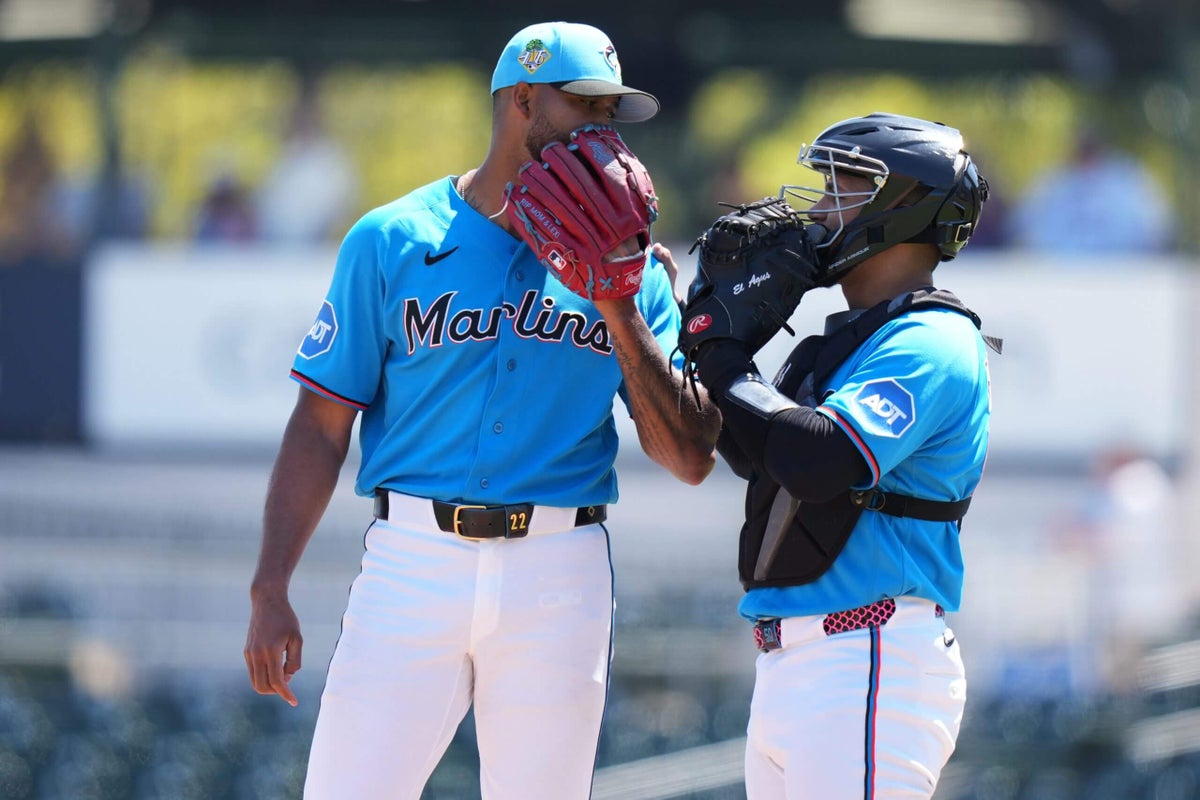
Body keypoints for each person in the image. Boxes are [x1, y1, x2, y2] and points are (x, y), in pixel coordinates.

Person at [243, 20, 720, 800]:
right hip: (411, 562)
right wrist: (270, 587)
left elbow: (689, 458)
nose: (605, 133)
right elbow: (321, 426)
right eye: (586, 108)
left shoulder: (631, 264)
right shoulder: (392, 239)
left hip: (558, 570)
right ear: (523, 101)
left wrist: (618, 301)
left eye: (612, 116)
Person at [680, 112, 995, 799]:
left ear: (903, 204)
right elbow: (756, 454)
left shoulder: (933, 339)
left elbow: (817, 461)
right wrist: (704, 337)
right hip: (804, 666)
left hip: (871, 657)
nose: (820, 210)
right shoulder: (850, 340)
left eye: (841, 190)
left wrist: (725, 358)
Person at [1010, 123, 1172, 254]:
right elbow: (1021, 227)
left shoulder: (1129, 182)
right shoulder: (1052, 183)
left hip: (1120, 277)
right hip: (1060, 277)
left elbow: (1157, 230)